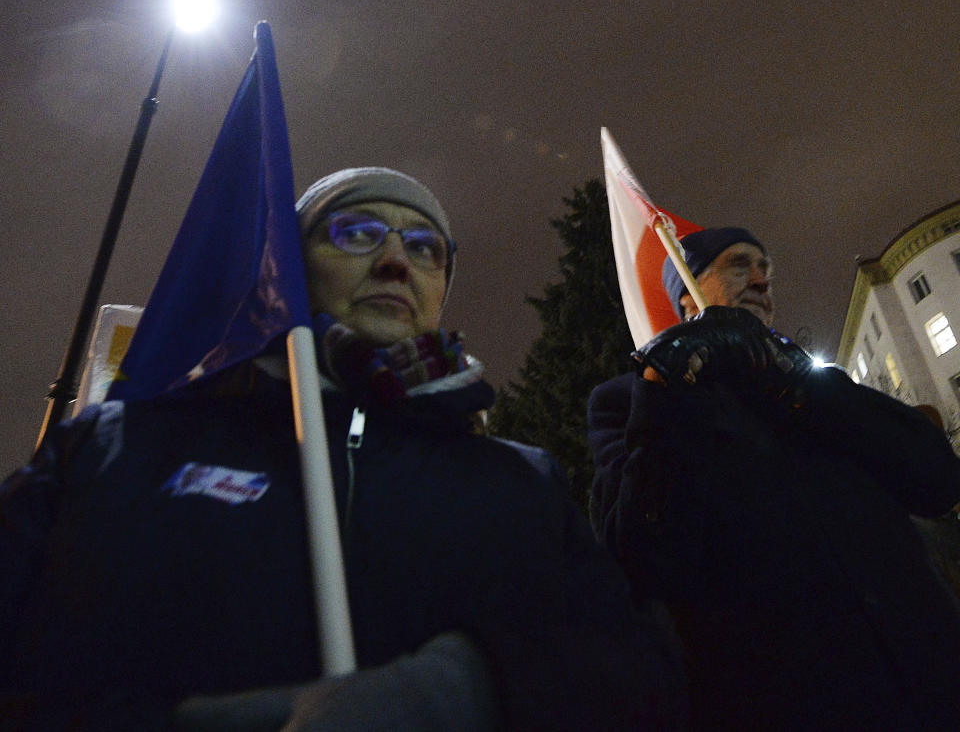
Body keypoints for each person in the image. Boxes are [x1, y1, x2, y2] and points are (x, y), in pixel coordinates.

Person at [0, 167, 687, 731]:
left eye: (425, 247)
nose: (395, 261)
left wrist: (467, 688)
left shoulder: (522, 482)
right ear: (291, 273)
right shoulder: (117, 449)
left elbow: (639, 675)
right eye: (355, 234)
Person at [589, 226, 960, 731]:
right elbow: (646, 554)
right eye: (740, 265)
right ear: (686, 293)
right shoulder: (631, 401)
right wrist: (674, 385)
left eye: (768, 268)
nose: (763, 280)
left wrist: (795, 380)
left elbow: (936, 478)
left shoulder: (817, 382)